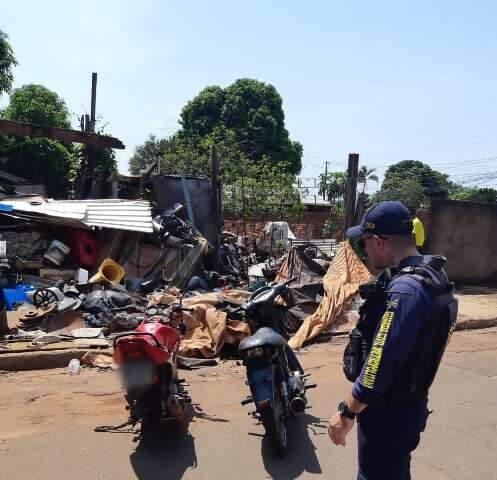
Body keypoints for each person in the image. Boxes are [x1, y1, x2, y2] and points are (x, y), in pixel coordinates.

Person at [328, 200, 457, 480]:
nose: (363, 251)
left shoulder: (405, 290)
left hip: (389, 414)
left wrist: (347, 411)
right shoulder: (432, 274)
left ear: (379, 241)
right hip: (408, 406)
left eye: (364, 243)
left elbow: (379, 361)